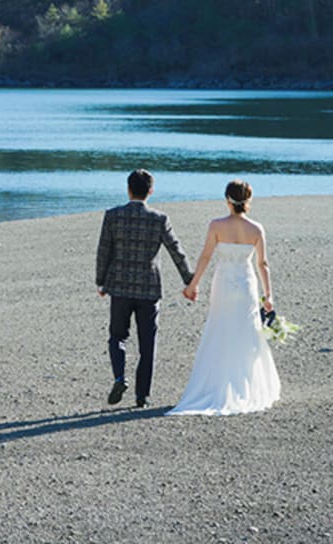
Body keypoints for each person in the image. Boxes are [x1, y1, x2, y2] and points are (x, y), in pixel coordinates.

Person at [168, 180, 281, 415]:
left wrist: (193, 284)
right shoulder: (256, 229)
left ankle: (215, 382)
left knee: (220, 327)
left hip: (223, 283)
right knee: (246, 331)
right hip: (246, 283)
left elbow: (206, 257)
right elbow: (263, 264)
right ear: (247, 201)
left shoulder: (216, 225)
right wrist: (268, 295)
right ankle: (245, 384)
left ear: (228, 200)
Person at [96, 169, 194, 408]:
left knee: (117, 336)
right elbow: (176, 251)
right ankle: (142, 396)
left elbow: (104, 251)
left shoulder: (113, 215)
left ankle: (120, 377)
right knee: (147, 343)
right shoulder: (159, 219)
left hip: (119, 287)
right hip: (148, 289)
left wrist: (101, 281)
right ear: (150, 191)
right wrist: (189, 280)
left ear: (128, 189)